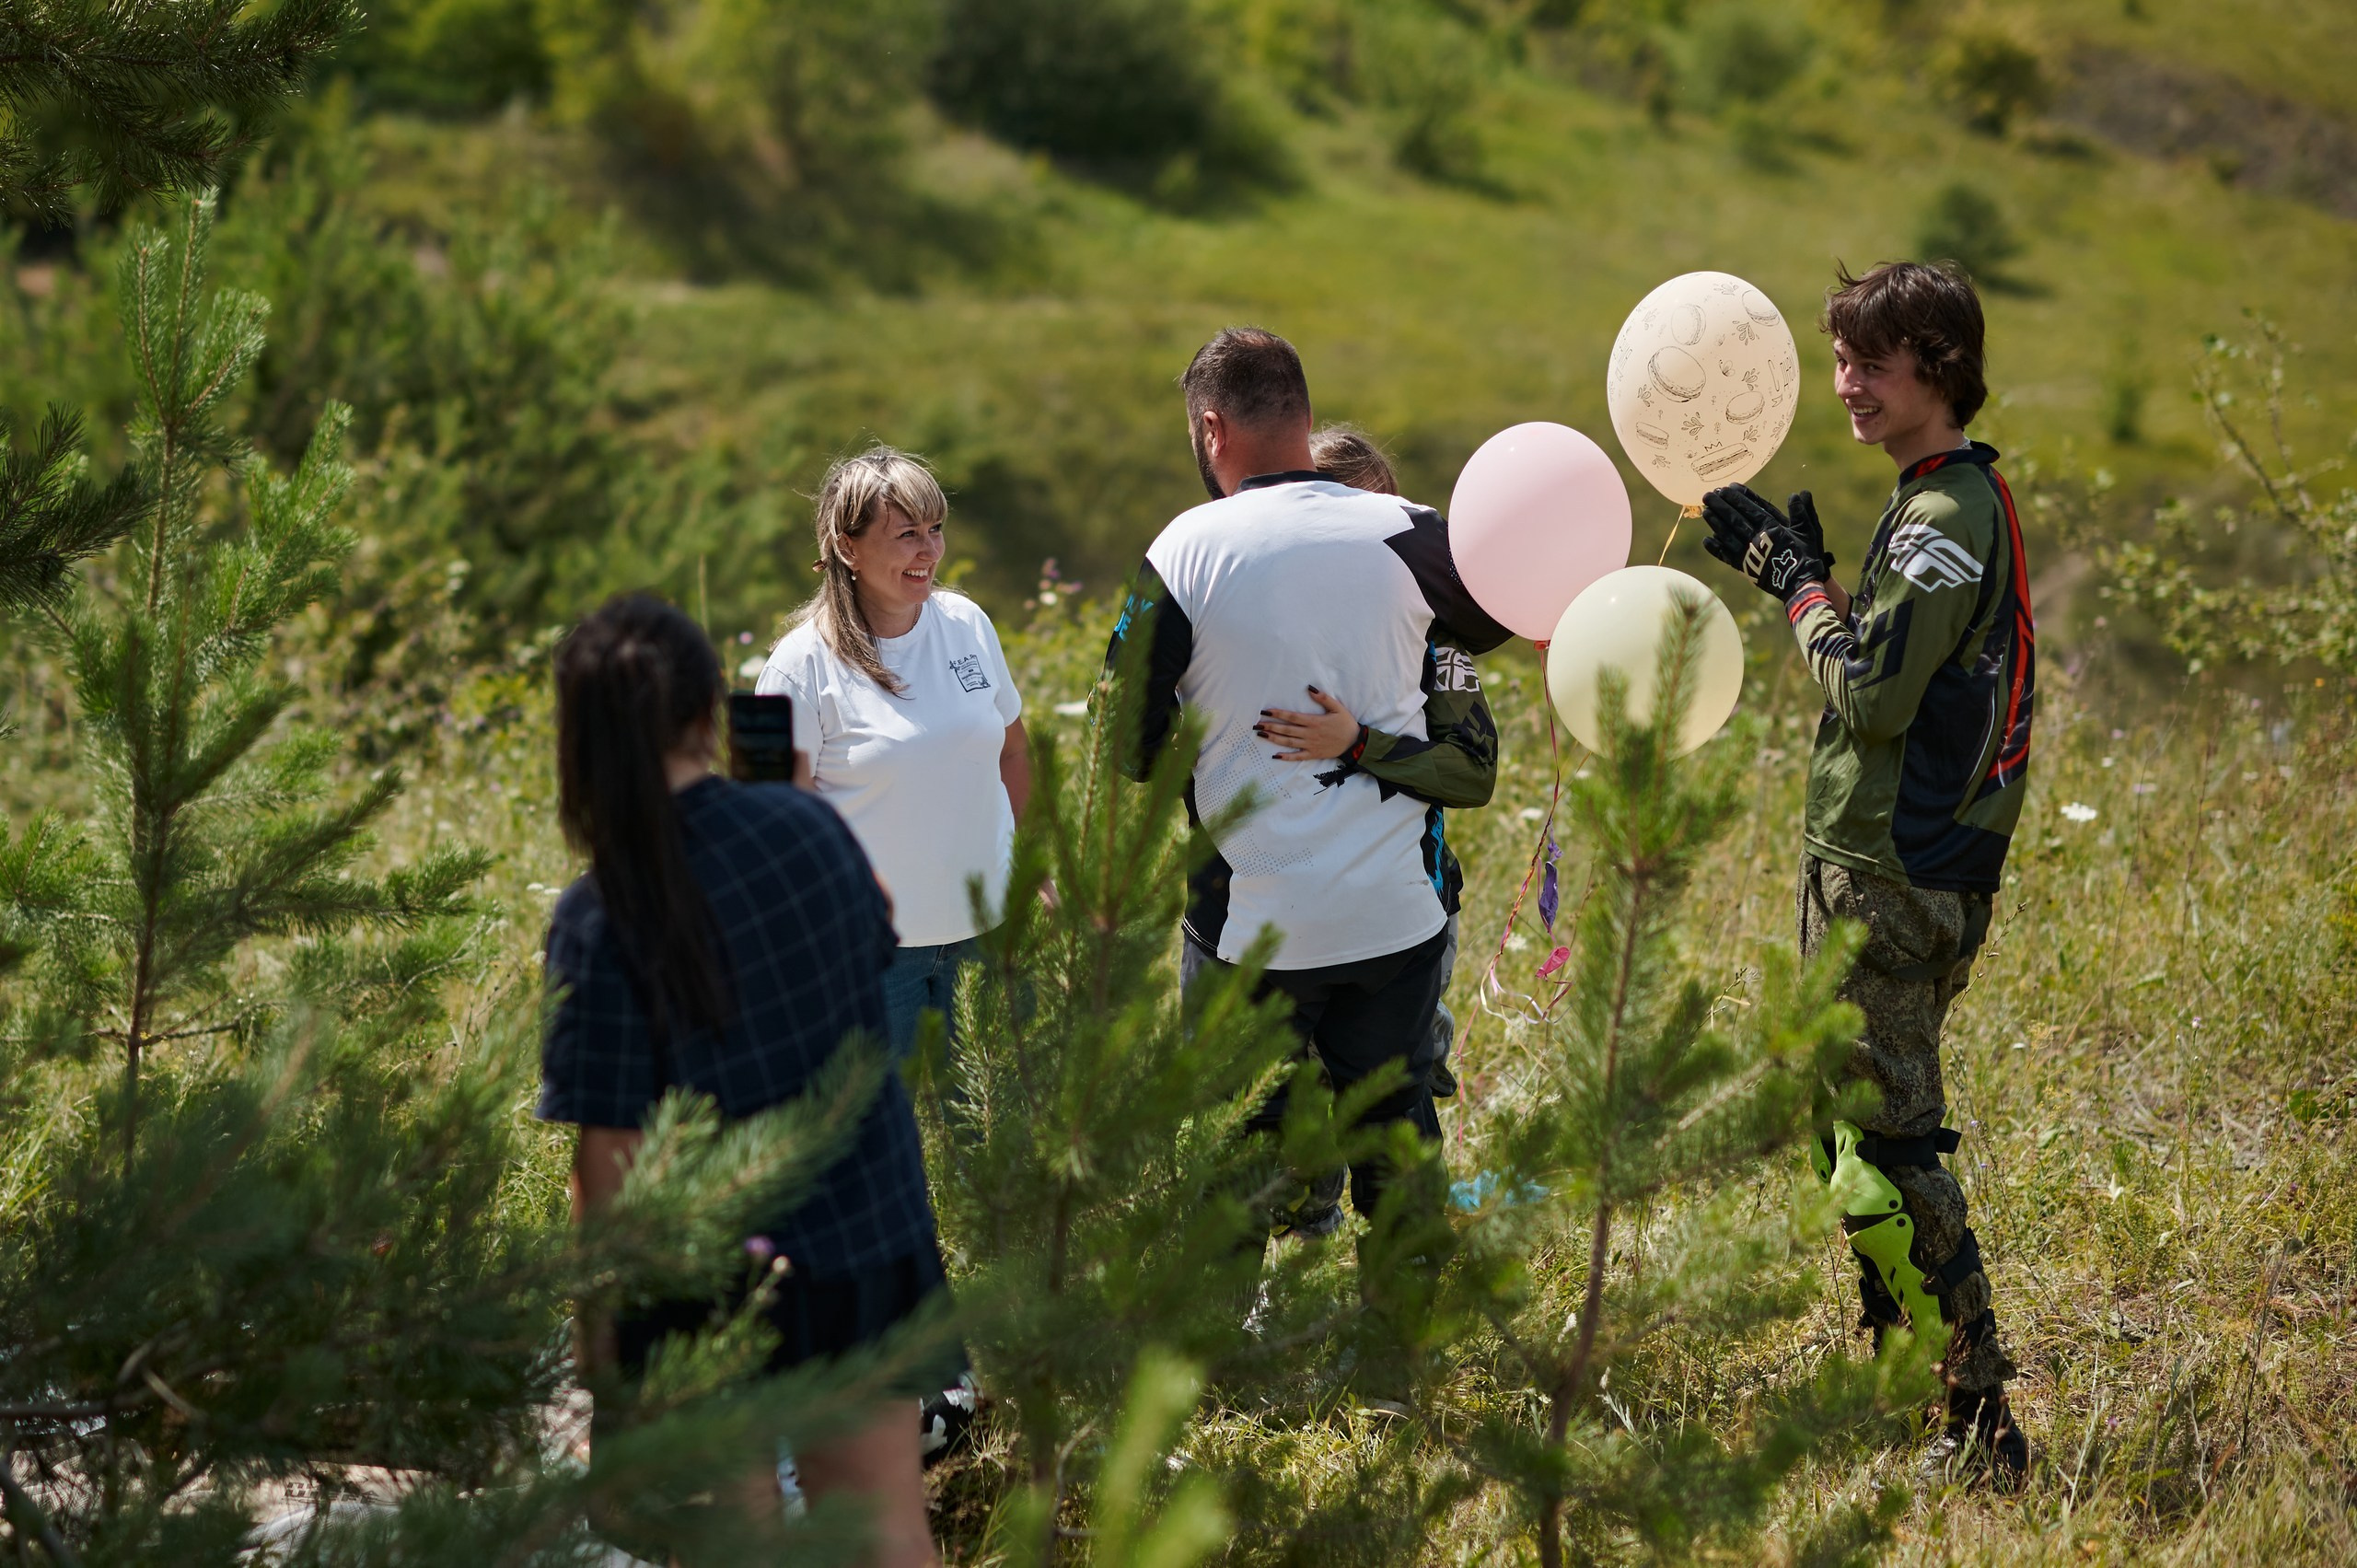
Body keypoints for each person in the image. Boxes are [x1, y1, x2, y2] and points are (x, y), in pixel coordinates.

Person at [1699, 260, 2035, 1485]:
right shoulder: (1933, 493)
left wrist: (1797, 589)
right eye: (1839, 359)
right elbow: (1898, 666)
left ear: (1938, 368)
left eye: (1870, 363)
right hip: (1880, 860)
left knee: (1889, 1147)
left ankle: (1977, 1422)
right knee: (1848, 1128)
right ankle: (1905, 1373)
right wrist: (1815, 577)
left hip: (1897, 871)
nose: (1845, 382)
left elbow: (1874, 695)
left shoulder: (1944, 516)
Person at [539, 593, 945, 1566]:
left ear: (582, 739)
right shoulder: (809, 828)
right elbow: (875, 934)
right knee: (887, 1530)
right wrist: (789, 802)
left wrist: (603, 1355)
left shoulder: (598, 914)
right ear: (707, 713)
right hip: (864, 1228)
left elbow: (612, 1162)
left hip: (709, 1271)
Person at [1102, 330, 1510, 1229]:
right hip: (1395, 918)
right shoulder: (1410, 529)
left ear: (1211, 429)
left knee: (1239, 1159)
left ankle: (1240, 1319)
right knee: (1398, 1145)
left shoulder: (1186, 548)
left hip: (1252, 924)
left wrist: (1210, 746)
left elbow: (1124, 743)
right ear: (1306, 414)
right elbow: (1494, 621)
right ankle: (1403, 1321)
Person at [758, 446, 1029, 1063]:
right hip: (868, 957)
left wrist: (1028, 863)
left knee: (996, 1120)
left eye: (936, 529)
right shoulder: (796, 667)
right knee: (873, 1122)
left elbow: (1012, 751)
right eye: (907, 534)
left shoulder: (967, 624)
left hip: (987, 939)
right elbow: (772, 826)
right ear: (847, 548)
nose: (929, 550)